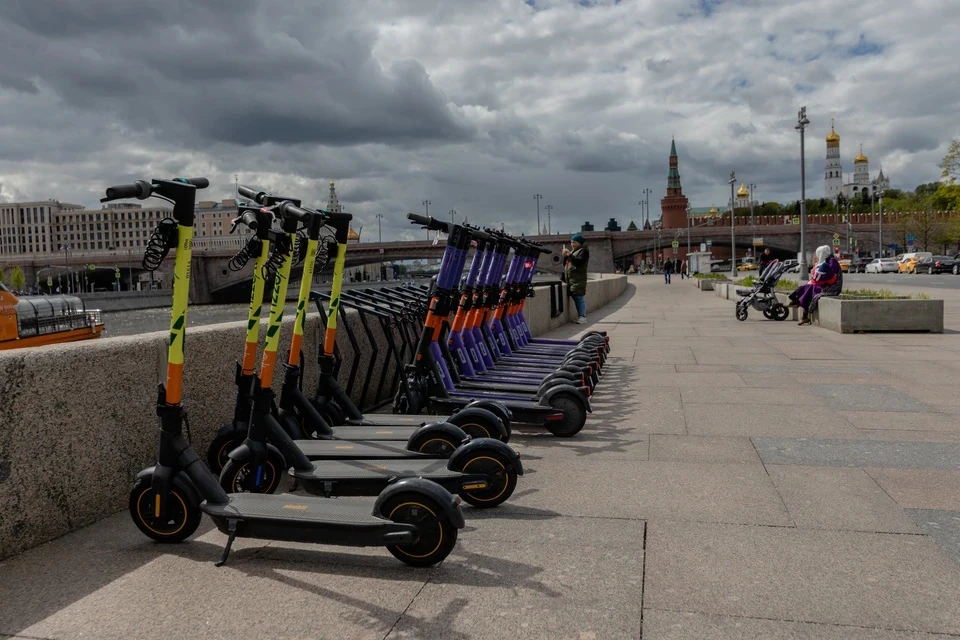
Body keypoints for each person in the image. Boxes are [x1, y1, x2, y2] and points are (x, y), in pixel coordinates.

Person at [788, 245, 842, 326]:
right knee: (808, 288)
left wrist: (818, 274)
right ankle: (798, 304)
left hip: (832, 287)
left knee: (810, 290)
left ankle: (799, 305)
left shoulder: (832, 261)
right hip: (826, 285)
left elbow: (828, 276)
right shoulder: (827, 260)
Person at [563, 233, 590, 324]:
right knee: (576, 296)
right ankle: (581, 316)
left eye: (574, 242)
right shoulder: (573, 252)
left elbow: (578, 262)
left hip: (578, 279)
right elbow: (566, 265)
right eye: (571, 242)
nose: (572, 244)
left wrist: (569, 255)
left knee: (579, 297)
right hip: (571, 280)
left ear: (579, 243)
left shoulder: (583, 251)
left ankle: (582, 317)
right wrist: (566, 256)